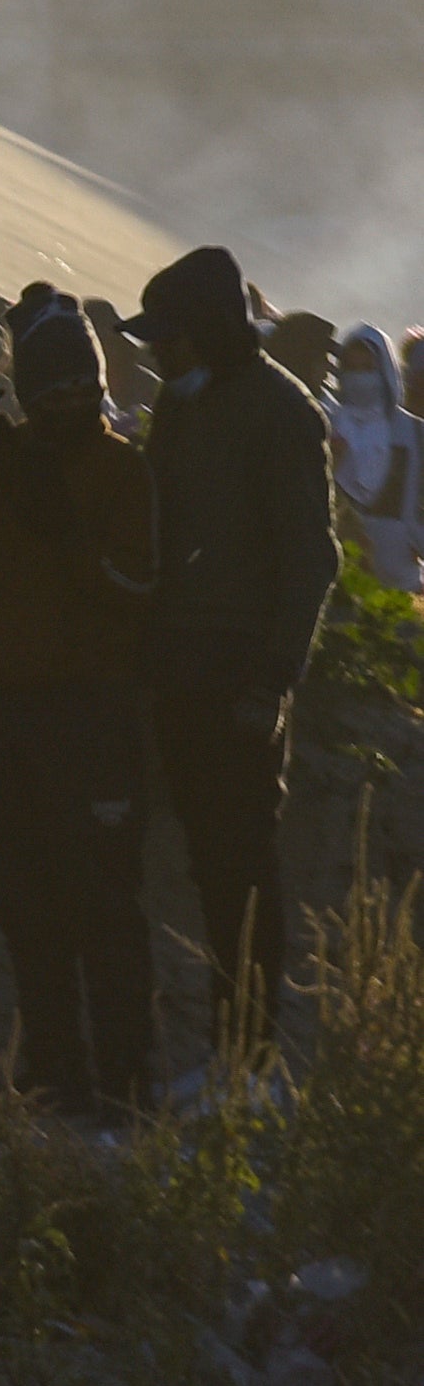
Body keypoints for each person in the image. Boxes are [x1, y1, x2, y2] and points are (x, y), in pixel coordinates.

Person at [0, 298, 158, 1123]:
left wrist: (64, 529)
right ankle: (57, 1077)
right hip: (0, 710)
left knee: (102, 900)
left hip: (89, 713)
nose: (69, 402)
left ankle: (128, 1087)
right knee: (21, 899)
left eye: (81, 385)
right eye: (50, 388)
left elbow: (137, 588)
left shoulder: (125, 469)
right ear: (23, 392)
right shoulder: (8, 459)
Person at [134, 244, 335, 1051]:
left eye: (168, 337)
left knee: (240, 863)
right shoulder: (183, 402)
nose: (154, 353)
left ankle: (246, 1053)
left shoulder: (285, 414)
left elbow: (312, 561)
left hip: (239, 669)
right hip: (175, 660)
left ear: (213, 331)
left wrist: (273, 679)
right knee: (205, 860)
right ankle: (225, 1045)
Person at [341, 325, 424, 596]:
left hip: (402, 578)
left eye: (367, 368)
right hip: (345, 575)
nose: (360, 378)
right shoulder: (330, 422)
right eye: (352, 368)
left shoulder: (413, 431)